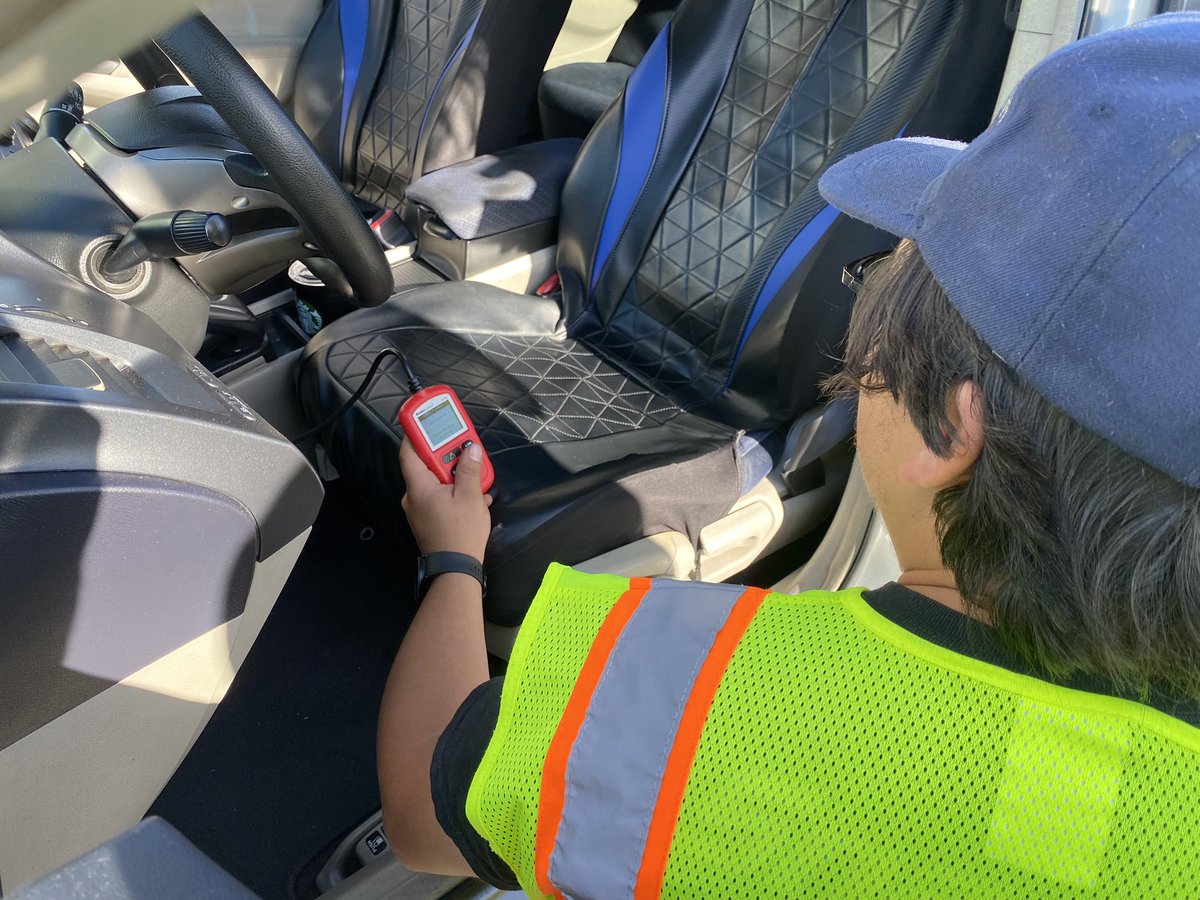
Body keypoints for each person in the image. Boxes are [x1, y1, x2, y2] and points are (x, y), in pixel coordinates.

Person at [377, 14, 1200, 897]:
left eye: (876, 274)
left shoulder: (667, 691)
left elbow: (424, 815)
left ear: (948, 432)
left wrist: (453, 557)